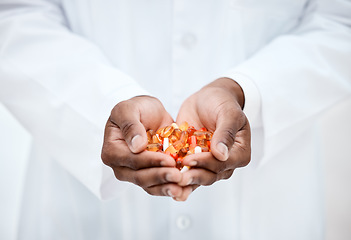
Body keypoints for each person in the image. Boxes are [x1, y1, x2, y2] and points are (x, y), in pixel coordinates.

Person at [0, 0, 350, 239]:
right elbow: (16, 15)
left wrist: (246, 91)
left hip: (266, 202)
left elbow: (339, 20)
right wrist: (104, 104)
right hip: (80, 202)